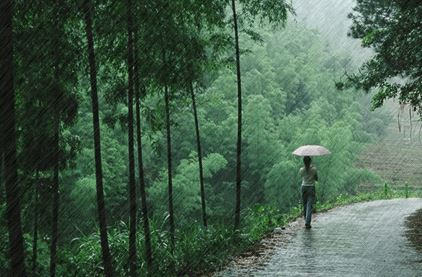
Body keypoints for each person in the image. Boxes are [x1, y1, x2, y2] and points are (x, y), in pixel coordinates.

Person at [299, 156, 318, 229]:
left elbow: (301, 176)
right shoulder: (314, 169)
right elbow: (316, 179)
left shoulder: (301, 169)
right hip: (311, 187)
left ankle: (305, 219)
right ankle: (307, 222)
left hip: (303, 187)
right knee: (309, 205)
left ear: (304, 162)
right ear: (310, 161)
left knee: (304, 204)